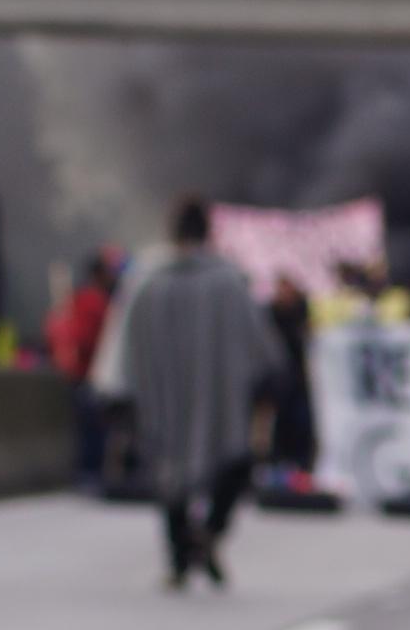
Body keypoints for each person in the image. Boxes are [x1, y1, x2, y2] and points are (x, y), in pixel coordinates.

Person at [119, 196, 281, 590]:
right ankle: (208, 535)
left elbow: (121, 349)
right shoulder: (229, 282)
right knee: (232, 464)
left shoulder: (146, 281)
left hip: (164, 400)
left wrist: (125, 396)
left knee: (168, 473)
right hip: (221, 399)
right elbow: (262, 347)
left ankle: (181, 554)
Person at [48, 249, 118, 493]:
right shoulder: (93, 301)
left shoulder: (82, 299)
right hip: (88, 374)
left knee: (90, 428)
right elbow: (90, 338)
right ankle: (89, 474)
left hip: (83, 374)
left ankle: (88, 473)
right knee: (92, 429)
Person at [263, 273, 318, 473]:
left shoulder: (304, 313)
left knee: (301, 423)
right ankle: (279, 463)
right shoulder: (271, 314)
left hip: (301, 381)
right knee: (281, 424)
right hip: (280, 381)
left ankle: (301, 465)